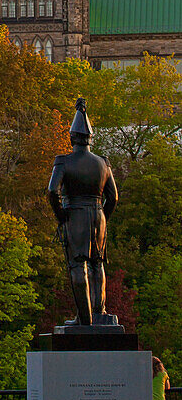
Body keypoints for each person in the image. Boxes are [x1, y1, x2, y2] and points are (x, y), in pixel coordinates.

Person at [48, 98, 119, 326]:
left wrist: (62, 217)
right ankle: (100, 313)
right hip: (98, 215)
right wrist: (103, 217)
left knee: (79, 264)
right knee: (97, 263)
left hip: (75, 213)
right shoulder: (102, 163)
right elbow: (114, 197)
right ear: (90, 138)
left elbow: (52, 192)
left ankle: (85, 320)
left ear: (72, 138)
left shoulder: (64, 162)